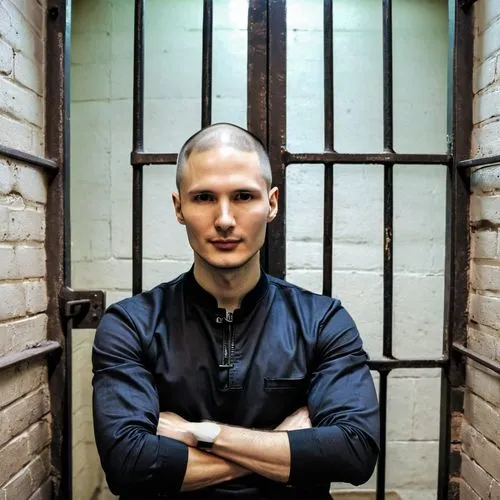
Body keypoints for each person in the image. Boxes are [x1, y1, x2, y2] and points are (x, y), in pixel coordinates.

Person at [92, 123, 379, 499]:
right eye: (204, 197)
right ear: (179, 207)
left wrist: (198, 434)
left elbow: (354, 452)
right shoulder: (131, 324)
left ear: (271, 204)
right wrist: (284, 446)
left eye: (243, 196)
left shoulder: (321, 320)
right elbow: (128, 464)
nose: (225, 219)